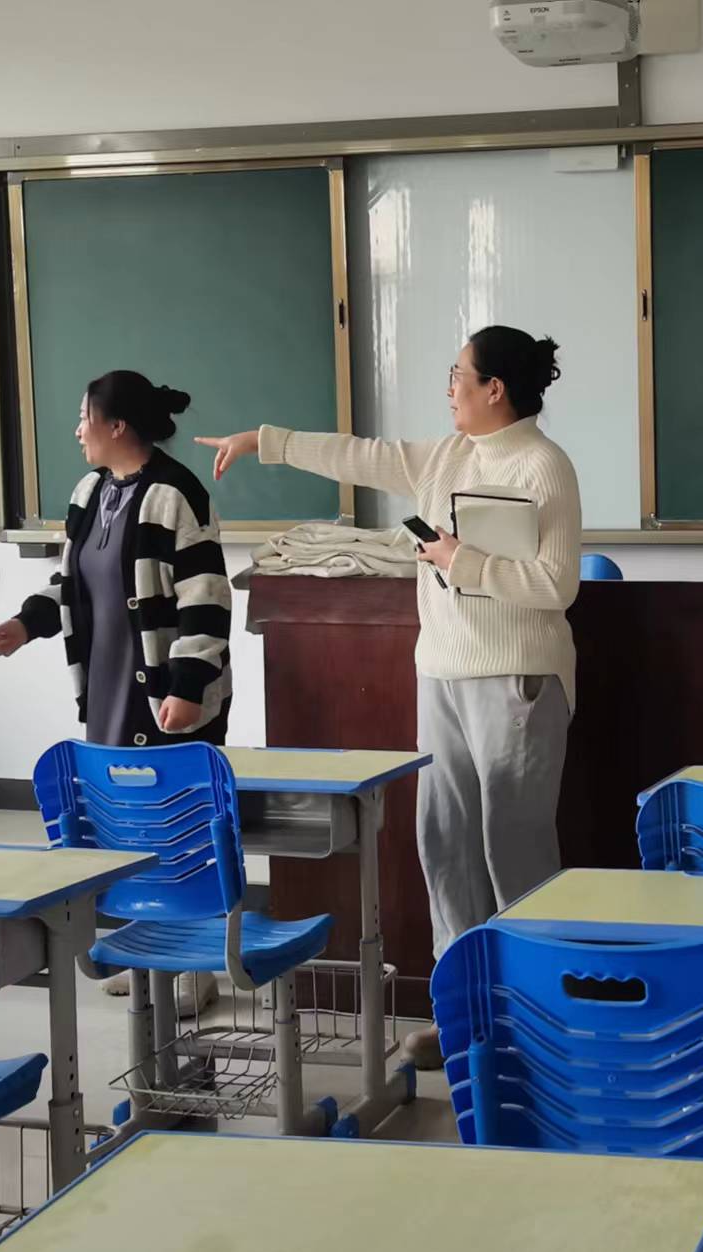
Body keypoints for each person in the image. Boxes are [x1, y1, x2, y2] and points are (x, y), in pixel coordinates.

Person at [198, 325, 582, 1065]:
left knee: (516, 849)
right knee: (443, 843)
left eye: (458, 375)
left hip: (518, 681)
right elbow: (359, 455)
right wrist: (264, 441)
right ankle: (462, 1015)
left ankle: (534, 1022)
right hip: (440, 673)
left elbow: (556, 584)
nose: (449, 388)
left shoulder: (543, 465)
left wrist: (461, 560)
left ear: (494, 388)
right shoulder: (447, 456)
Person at [0, 370, 231, 747]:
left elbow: (206, 599)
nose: (78, 431)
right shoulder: (89, 491)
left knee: (167, 784)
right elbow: (74, 582)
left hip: (167, 694)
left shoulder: (175, 494)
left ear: (117, 426)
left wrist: (187, 687)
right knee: (109, 781)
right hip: (106, 686)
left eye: (84, 418)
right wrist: (26, 624)